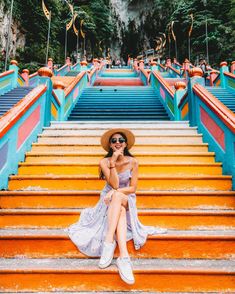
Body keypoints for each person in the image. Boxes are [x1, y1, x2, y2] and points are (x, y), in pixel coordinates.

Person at [67, 128, 167, 285]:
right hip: (109, 202)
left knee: (119, 196)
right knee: (118, 207)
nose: (118, 142)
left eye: (121, 140)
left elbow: (132, 188)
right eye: (114, 141)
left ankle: (108, 242)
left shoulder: (133, 162)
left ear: (126, 144)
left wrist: (115, 193)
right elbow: (113, 184)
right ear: (110, 145)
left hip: (127, 198)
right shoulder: (104, 162)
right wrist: (112, 162)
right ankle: (124, 258)